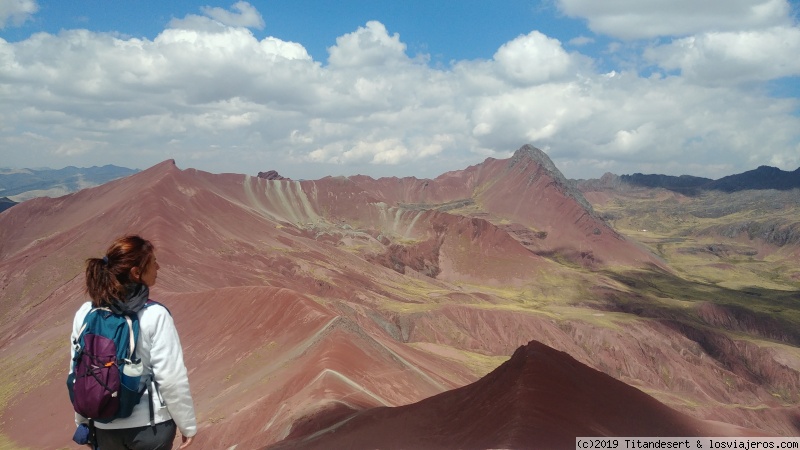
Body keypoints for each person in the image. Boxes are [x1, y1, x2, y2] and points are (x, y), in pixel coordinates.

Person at [70, 235, 198, 449]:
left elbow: (78, 371)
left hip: (103, 427)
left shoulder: (86, 313)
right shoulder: (155, 314)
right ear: (136, 273)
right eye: (153, 262)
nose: (158, 267)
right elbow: (171, 378)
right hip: (151, 428)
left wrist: (83, 421)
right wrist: (188, 425)